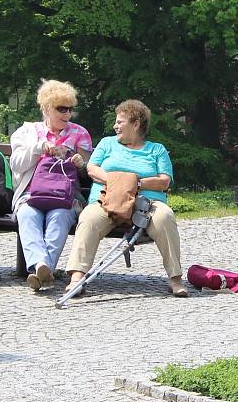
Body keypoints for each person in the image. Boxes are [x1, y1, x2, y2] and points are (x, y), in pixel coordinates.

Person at [65, 99, 188, 296]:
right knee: (89, 218)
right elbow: (92, 169)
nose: (115, 126)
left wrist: (135, 184)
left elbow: (164, 181)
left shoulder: (157, 150)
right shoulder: (107, 144)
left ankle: (175, 278)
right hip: (106, 200)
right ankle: (77, 278)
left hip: (148, 204)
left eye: (120, 122)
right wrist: (119, 183)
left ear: (136, 123)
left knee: (165, 217)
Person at [10, 80, 93, 292]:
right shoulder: (27, 131)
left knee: (59, 217)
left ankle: (40, 269)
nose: (67, 114)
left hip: (65, 196)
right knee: (28, 215)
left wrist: (80, 164)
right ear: (46, 108)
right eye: (61, 109)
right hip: (31, 193)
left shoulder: (79, 133)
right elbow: (16, 165)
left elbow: (88, 171)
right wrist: (38, 149)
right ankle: (41, 266)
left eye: (70, 109)